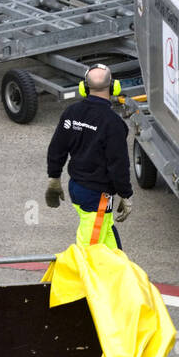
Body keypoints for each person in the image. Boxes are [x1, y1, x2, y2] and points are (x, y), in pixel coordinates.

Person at [45, 64, 133, 250]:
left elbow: (57, 148)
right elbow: (118, 164)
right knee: (89, 250)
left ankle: (117, 267)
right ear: (114, 87)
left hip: (77, 188)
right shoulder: (113, 123)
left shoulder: (71, 112)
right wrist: (125, 194)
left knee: (107, 237)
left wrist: (54, 178)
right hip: (97, 196)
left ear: (84, 87)